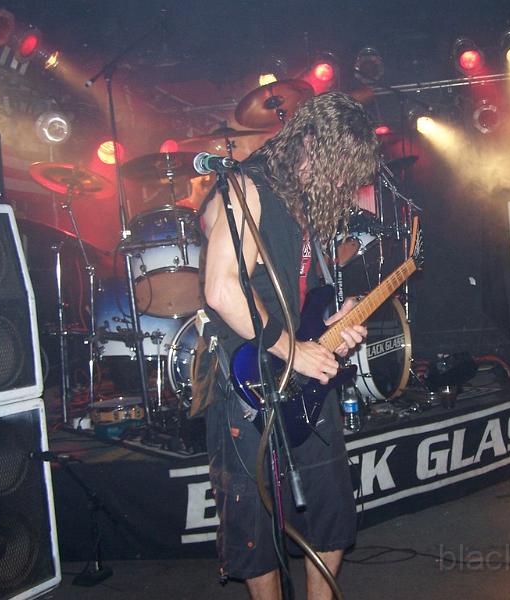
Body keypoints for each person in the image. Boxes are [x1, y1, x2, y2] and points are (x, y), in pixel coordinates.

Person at [190, 91, 379, 599]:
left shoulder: (302, 202)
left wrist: (331, 324)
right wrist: (292, 349)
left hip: (300, 368)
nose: (342, 184)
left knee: (333, 509)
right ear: (311, 144)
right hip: (246, 373)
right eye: (340, 169)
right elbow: (222, 290)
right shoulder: (245, 188)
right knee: (254, 524)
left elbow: (296, 296)